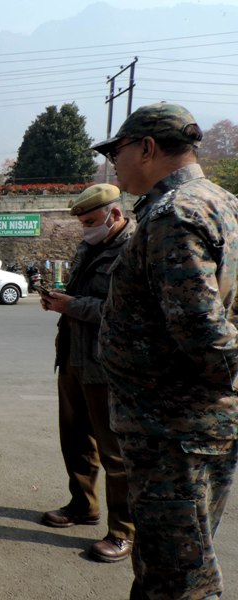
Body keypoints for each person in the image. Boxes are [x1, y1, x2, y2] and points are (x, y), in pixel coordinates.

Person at [93, 102, 238, 599]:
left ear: (148, 148)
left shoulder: (174, 214)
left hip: (174, 431)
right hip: (189, 425)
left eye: (119, 151)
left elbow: (205, 335)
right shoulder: (222, 201)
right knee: (177, 563)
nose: (115, 162)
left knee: (178, 579)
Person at [39, 183, 135, 563]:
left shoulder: (132, 248)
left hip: (107, 363)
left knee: (114, 452)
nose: (85, 229)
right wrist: (59, 299)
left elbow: (125, 313)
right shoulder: (89, 246)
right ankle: (83, 505)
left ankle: (123, 531)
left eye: (91, 221)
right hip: (74, 357)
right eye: (81, 223)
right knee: (75, 439)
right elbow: (81, 295)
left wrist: (73, 306)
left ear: (114, 214)